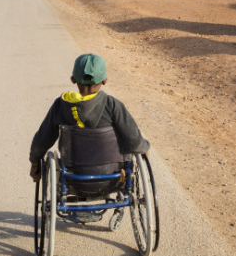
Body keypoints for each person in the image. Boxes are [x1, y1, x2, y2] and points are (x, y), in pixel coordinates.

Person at [28, 54, 149, 206]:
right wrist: (143, 149)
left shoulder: (60, 105)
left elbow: (42, 140)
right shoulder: (112, 105)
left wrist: (35, 164)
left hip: (74, 179)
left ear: (73, 79)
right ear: (105, 80)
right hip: (112, 178)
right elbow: (133, 138)